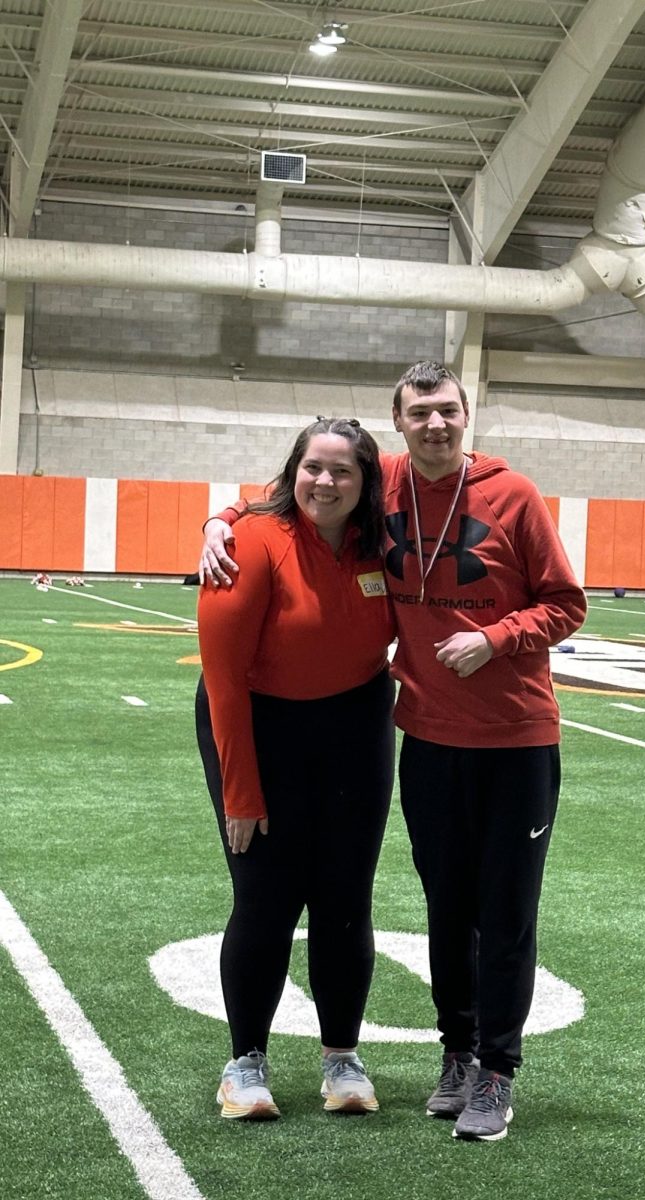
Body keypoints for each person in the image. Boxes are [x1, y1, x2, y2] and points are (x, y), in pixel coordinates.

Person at [201, 363, 586, 1141]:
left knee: (419, 905)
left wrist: (496, 637)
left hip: (433, 733)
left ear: (466, 413)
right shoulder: (320, 515)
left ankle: (427, 1066)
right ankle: (278, 1061)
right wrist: (219, 516)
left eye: (448, 410)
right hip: (348, 737)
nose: (436, 424)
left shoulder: (457, 508)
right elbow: (296, 496)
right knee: (338, 902)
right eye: (421, 414)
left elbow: (565, 600)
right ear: (401, 422)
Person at [195, 416, 396, 1122]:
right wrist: (241, 793)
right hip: (260, 725)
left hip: (356, 728)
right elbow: (222, 679)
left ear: (367, 481)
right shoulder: (251, 540)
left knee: (346, 897)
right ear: (293, 471)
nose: (327, 481)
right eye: (314, 467)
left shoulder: (383, 541)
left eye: (343, 470)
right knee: (268, 896)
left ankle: (343, 1060)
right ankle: (245, 1064)